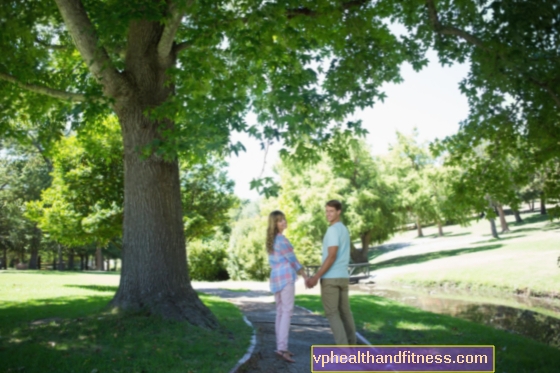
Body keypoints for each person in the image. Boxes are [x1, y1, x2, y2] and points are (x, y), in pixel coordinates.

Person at [306, 200, 357, 345]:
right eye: (327, 211)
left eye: (331, 211)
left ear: (339, 212)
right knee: (346, 314)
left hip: (331, 279)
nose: (328, 214)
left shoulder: (333, 230)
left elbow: (332, 255)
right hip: (343, 277)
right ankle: (352, 349)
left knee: (332, 314)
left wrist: (316, 277)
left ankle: (345, 354)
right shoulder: (344, 229)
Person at [267, 210, 307, 363]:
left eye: (284, 219)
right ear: (274, 224)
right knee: (287, 312)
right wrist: (305, 276)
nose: (284, 222)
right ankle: (282, 348)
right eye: (280, 220)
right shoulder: (282, 240)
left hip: (276, 279)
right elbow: (294, 261)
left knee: (280, 312)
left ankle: (280, 347)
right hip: (285, 278)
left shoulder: (271, 240)